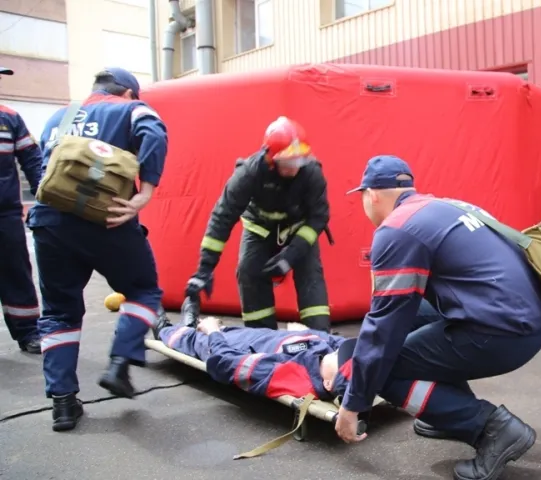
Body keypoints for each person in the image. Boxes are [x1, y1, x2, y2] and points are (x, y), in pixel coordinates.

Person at [335, 155, 541, 480]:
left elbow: (384, 328)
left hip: (504, 331)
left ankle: (492, 430)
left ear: (372, 194)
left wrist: (354, 402)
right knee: (413, 326)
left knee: (385, 368)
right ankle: (447, 412)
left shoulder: (396, 229)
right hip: (524, 319)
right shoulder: (445, 206)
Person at [27, 68, 168, 432]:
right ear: (127, 93)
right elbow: (155, 131)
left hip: (51, 222)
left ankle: (62, 404)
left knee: (59, 312)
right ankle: (120, 364)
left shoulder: (61, 116)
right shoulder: (130, 110)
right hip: (108, 219)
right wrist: (144, 194)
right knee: (143, 289)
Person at [184, 116, 333, 332]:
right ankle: (261, 337)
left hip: (299, 231)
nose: (295, 168)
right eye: (289, 162)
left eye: (299, 161)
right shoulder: (249, 173)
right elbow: (222, 217)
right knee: (248, 272)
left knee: (311, 276)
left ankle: (321, 339)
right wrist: (204, 269)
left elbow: (319, 217)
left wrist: (292, 254)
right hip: (259, 229)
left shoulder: (311, 173)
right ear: (271, 158)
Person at [153, 315, 353, 400]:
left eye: (342, 360)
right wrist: (306, 332)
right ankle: (190, 321)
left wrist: (213, 332)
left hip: (226, 344)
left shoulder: (286, 375)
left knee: (186, 338)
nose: (341, 352)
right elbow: (337, 342)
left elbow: (225, 364)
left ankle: (164, 327)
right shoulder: (326, 355)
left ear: (328, 383)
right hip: (254, 335)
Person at [0, 66, 43, 354]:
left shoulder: (10, 118)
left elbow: (32, 161)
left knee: (16, 272)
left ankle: (28, 332)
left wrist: (47, 195)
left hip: (6, 214)